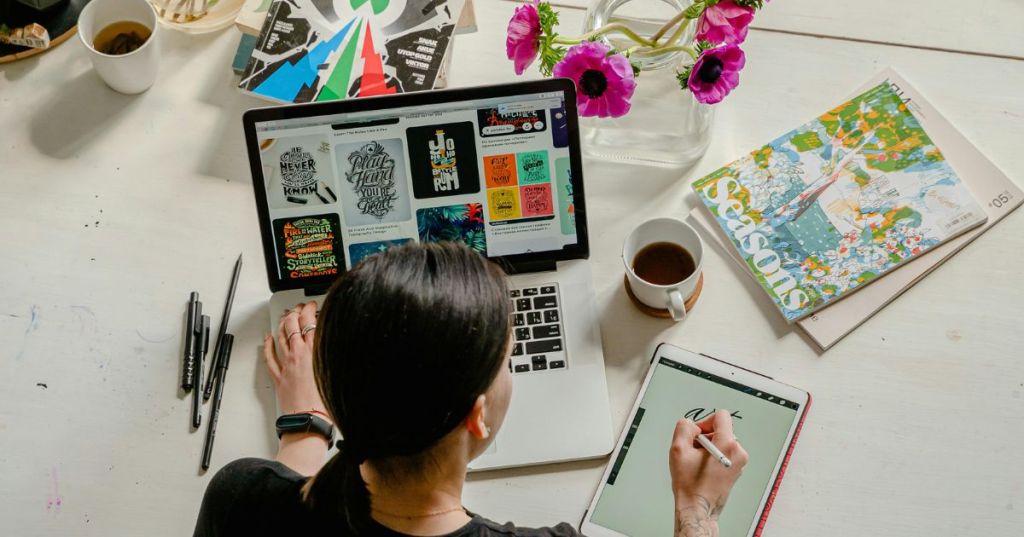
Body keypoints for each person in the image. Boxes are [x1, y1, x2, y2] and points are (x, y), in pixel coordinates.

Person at [194, 242, 748, 537]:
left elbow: (291, 502)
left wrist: (304, 422)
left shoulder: (241, 499)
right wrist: (697, 508)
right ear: (477, 417)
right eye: (507, 360)